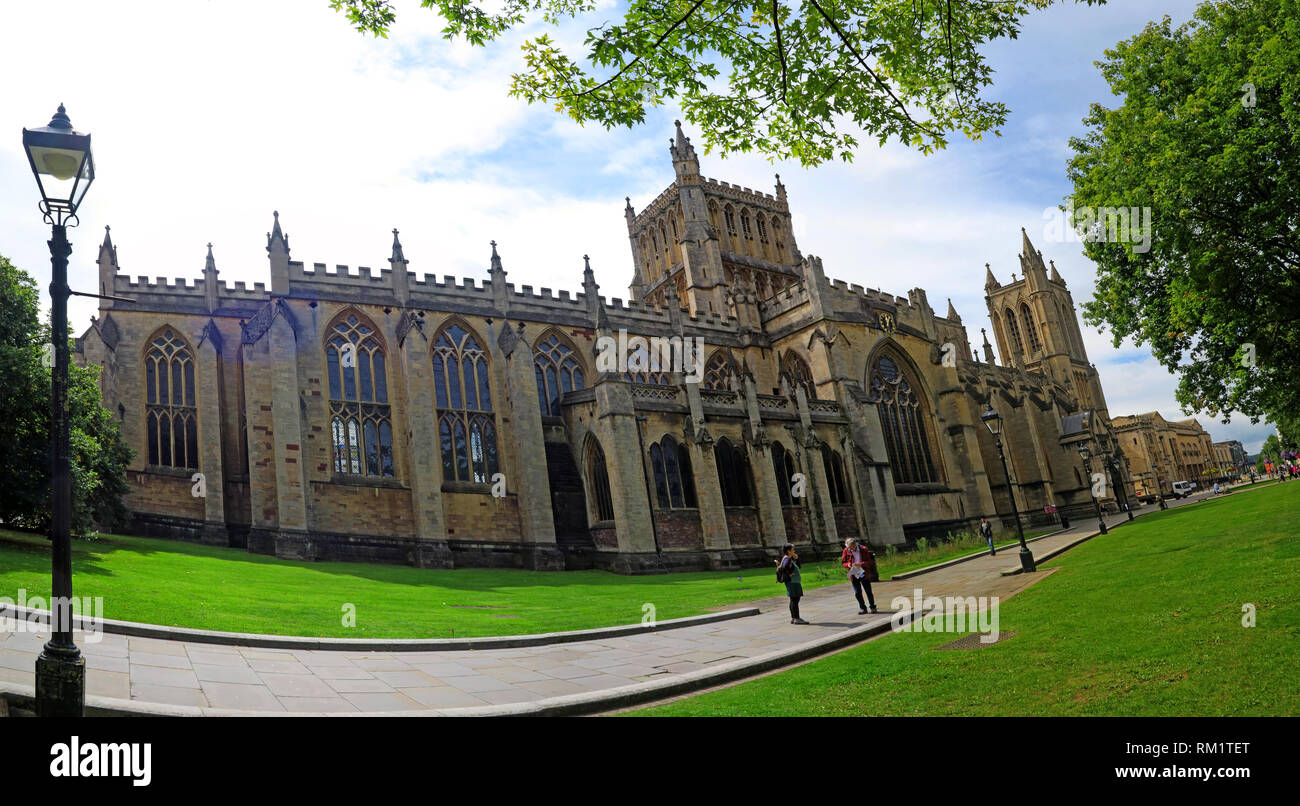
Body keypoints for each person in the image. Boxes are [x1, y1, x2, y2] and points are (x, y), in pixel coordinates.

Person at [840, 537, 878, 614]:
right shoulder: (846, 550)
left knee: (868, 591)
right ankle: (863, 608)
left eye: (853, 548)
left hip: (863, 572)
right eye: (849, 548)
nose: (851, 550)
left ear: (855, 545)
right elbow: (844, 562)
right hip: (853, 573)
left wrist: (861, 564)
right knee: (857, 592)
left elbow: (869, 562)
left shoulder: (863, 549)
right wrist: (848, 564)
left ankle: (872, 607)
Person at [776, 544, 808, 624]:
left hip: (793, 582)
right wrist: (789, 574)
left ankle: (794, 618)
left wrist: (797, 559)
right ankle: (796, 618)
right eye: (793, 549)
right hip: (793, 582)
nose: (794, 551)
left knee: (793, 600)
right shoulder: (787, 559)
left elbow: (798, 567)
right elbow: (784, 567)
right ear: (788, 551)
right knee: (795, 600)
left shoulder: (790, 558)